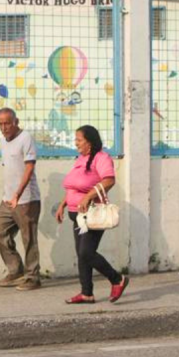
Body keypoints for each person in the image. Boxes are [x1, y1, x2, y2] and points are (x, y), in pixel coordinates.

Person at [55, 124, 129, 304]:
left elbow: (109, 180)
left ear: (89, 142)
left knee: (86, 253)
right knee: (82, 254)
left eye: (79, 140)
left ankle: (117, 279)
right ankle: (86, 293)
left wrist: (88, 196)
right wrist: (63, 204)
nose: (76, 143)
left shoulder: (102, 158)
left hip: (91, 214)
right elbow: (73, 186)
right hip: (76, 215)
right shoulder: (80, 159)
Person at [0, 108, 41, 291]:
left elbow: (29, 168)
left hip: (26, 199)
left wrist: (18, 194)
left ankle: (33, 277)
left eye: (7, 123)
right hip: (8, 199)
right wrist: (9, 195)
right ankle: (16, 270)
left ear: (16, 121)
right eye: (0, 124)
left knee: (29, 239)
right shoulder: (3, 141)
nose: (4, 127)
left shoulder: (25, 138)